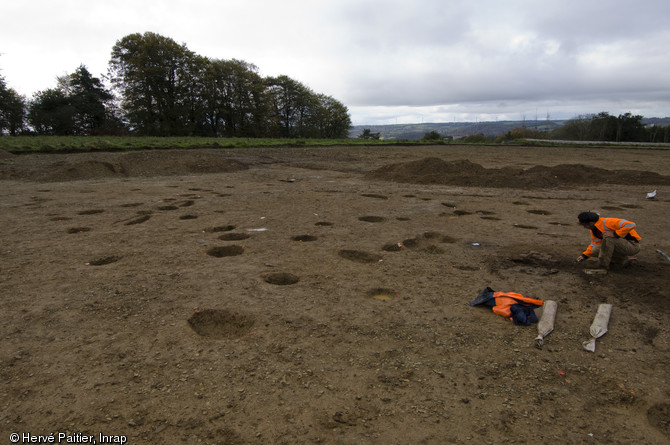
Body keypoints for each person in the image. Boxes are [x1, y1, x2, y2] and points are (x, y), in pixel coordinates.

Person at [575, 211, 641, 271]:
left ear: (591, 223)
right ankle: (621, 260)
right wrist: (584, 255)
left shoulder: (608, 222)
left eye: (584, 225)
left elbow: (631, 224)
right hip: (621, 246)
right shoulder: (594, 230)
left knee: (608, 237)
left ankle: (602, 266)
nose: (584, 227)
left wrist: (615, 234)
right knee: (594, 250)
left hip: (633, 245)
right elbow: (595, 244)